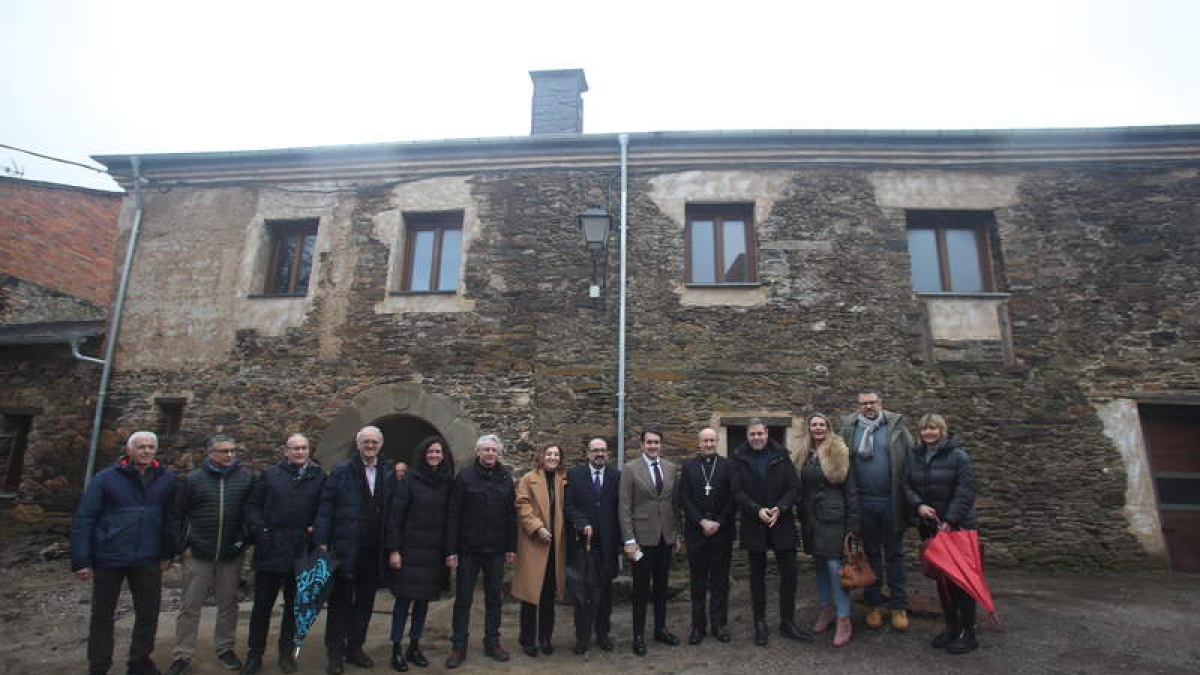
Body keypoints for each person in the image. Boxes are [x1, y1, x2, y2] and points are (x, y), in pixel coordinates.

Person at [71, 431, 178, 675]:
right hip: (110, 556)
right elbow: (85, 518)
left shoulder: (166, 479)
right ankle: (99, 666)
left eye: (151, 447)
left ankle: (139, 661)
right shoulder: (106, 478)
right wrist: (81, 559)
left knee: (148, 613)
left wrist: (167, 553)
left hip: (147, 557)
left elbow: (170, 519)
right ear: (129, 450)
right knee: (102, 615)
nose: (146, 451)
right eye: (141, 447)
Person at [168, 435, 256, 675]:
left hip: (231, 552)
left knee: (228, 603)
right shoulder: (193, 481)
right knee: (190, 605)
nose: (229, 455)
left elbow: (252, 513)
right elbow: (178, 514)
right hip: (198, 552)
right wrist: (182, 546)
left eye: (232, 451)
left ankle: (225, 648)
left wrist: (244, 540)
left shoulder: (246, 479)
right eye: (224, 451)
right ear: (210, 453)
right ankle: (182, 654)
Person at [314, 426, 396, 675]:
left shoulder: (387, 472)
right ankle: (335, 653)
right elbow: (326, 506)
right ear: (358, 445)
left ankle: (355, 648)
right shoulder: (341, 471)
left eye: (374, 442)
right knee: (340, 603)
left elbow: (392, 511)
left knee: (364, 602)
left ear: (380, 445)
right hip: (345, 547)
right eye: (365, 442)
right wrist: (322, 540)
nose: (370, 446)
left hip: (373, 549)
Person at [242, 433, 326, 674]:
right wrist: (261, 531)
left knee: (293, 608)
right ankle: (254, 655)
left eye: (303, 448)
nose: (299, 452)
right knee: (262, 608)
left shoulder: (318, 477)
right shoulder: (270, 475)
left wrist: (315, 530)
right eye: (295, 448)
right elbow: (252, 506)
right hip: (271, 549)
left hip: (300, 551)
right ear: (286, 451)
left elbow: (324, 507)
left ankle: (286, 654)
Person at [729, 419, 810, 646]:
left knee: (790, 573)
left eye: (760, 434)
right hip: (754, 522)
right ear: (747, 436)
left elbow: (794, 487)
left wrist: (781, 508)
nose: (756, 438)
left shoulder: (782, 456)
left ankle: (788, 622)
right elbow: (736, 491)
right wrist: (756, 510)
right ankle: (760, 624)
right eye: (752, 434)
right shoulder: (738, 459)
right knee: (757, 576)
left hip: (781, 521)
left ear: (767, 434)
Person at [840, 389, 915, 631]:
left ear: (881, 403)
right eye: (864, 404)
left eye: (872, 402)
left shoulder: (897, 428)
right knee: (870, 556)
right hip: (864, 503)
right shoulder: (850, 430)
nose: (869, 407)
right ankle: (873, 606)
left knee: (894, 555)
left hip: (891, 502)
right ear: (858, 407)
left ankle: (898, 607)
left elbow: (911, 462)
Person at [905, 413, 980, 655]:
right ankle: (951, 627)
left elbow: (966, 490)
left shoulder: (959, 456)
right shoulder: (915, 456)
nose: (928, 432)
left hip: (957, 528)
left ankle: (969, 633)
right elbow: (906, 485)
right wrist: (918, 505)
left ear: (942, 430)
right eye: (924, 428)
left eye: (933, 428)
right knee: (943, 581)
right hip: (930, 527)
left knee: (962, 581)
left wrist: (949, 520)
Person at [444, 434, 518, 668]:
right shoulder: (464, 477)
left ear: (498, 454)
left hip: (496, 550)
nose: (489, 454)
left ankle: (492, 642)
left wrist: (511, 547)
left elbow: (510, 515)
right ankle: (458, 646)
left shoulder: (506, 478)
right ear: (477, 452)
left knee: (494, 598)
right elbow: (453, 514)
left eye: (493, 451)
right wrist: (451, 549)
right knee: (463, 599)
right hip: (468, 549)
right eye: (485, 450)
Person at [385, 436, 455, 672]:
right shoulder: (410, 480)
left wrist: (448, 551)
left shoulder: (446, 482)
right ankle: (396, 648)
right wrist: (394, 550)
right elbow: (395, 517)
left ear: (442, 455)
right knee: (403, 603)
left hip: (433, 552)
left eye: (438, 452)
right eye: (430, 452)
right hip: (410, 550)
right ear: (423, 454)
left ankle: (414, 646)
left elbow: (449, 520)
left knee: (423, 603)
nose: (434, 456)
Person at [794, 413, 860, 647]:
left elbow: (850, 489)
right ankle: (826, 610)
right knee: (820, 563)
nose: (818, 428)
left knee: (835, 566)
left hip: (834, 516)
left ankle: (844, 618)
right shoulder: (803, 452)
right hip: (811, 517)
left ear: (828, 427)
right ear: (809, 428)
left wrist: (853, 524)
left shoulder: (838, 449)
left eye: (822, 424)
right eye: (814, 424)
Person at [618, 429, 681, 656]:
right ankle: (638, 635)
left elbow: (674, 506)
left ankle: (660, 629)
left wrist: (676, 536)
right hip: (641, 541)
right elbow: (624, 508)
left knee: (662, 588)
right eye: (649, 442)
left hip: (665, 539)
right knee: (641, 590)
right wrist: (629, 540)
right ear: (642, 444)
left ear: (661, 445)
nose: (653, 446)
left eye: (657, 442)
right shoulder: (630, 469)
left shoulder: (671, 468)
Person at [676, 427, 734, 644]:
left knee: (720, 581)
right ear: (698, 444)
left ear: (717, 442)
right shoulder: (689, 466)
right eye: (705, 441)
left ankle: (719, 625)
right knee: (698, 581)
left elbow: (732, 498)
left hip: (722, 532)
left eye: (712, 440)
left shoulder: (728, 465)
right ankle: (698, 627)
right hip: (696, 531)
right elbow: (684, 498)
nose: (709, 444)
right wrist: (701, 521)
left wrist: (719, 522)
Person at [563, 437, 620, 656]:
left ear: (608, 454)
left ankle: (603, 634)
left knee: (605, 594)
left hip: (607, 545)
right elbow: (568, 506)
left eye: (603, 450)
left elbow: (620, 508)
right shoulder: (575, 475)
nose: (599, 454)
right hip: (582, 545)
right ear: (587, 453)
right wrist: (582, 523)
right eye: (595, 450)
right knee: (581, 595)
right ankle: (582, 637)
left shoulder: (616, 476)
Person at [513, 444, 568, 657]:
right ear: (541, 456)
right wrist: (537, 527)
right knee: (530, 595)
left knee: (548, 594)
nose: (552, 457)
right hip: (535, 543)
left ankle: (545, 638)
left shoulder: (563, 480)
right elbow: (522, 505)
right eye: (549, 454)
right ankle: (527, 639)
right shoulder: (528, 479)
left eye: (556, 454)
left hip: (556, 545)